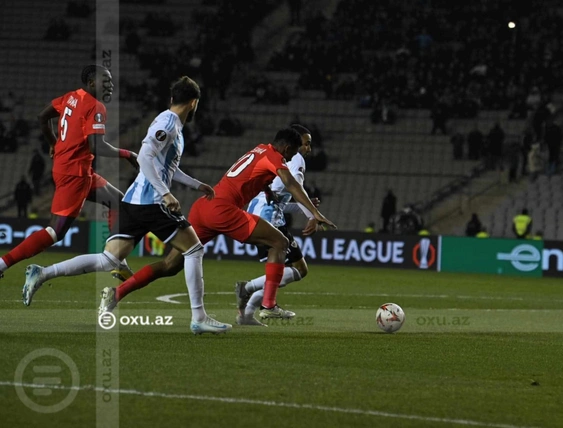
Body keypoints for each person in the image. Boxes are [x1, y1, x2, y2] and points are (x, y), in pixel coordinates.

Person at [21, 76, 228, 335]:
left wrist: (197, 185)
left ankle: (43, 273)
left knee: (109, 259)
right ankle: (199, 317)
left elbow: (165, 168)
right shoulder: (169, 123)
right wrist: (165, 194)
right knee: (194, 250)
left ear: (173, 98)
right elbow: (144, 156)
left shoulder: (167, 120)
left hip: (133, 201)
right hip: (151, 202)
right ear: (194, 102)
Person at [100, 127, 336, 323]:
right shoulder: (275, 157)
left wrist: (268, 192)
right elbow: (291, 183)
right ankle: (268, 304)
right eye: (292, 152)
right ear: (286, 148)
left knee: (170, 264)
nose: (290, 157)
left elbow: (252, 177)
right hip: (223, 209)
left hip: (204, 206)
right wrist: (314, 213)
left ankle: (117, 293)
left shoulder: (259, 150)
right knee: (279, 242)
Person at [0, 65, 137, 281]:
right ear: (92, 83)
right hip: (75, 173)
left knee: (118, 202)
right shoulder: (96, 106)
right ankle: (2, 263)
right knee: (55, 232)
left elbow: (42, 117)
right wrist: (128, 154)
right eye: (106, 81)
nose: (111, 85)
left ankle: (116, 260)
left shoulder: (72, 97)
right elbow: (96, 147)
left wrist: (54, 143)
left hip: (74, 168)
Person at [235, 125, 320, 326]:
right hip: (269, 219)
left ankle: (246, 315)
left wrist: (304, 209)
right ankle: (249, 291)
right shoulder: (296, 159)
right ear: (295, 144)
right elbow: (296, 187)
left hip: (259, 214)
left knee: (282, 270)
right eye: (306, 144)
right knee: (298, 269)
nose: (308, 148)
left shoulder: (276, 158)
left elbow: (278, 200)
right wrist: (312, 215)